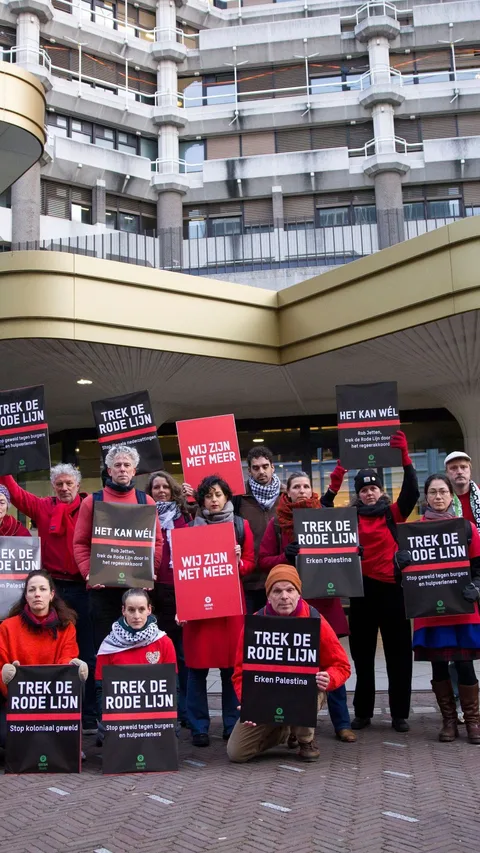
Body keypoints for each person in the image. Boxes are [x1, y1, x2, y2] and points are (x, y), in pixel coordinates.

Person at [258, 470, 355, 743]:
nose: (301, 490)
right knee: (293, 669)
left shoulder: (326, 515)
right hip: (292, 606)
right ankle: (292, 728)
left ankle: (342, 723)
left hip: (326, 604)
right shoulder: (277, 524)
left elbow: (342, 553)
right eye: (296, 486)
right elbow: (263, 560)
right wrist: (284, 556)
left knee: (332, 663)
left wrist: (352, 554)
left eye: (305, 486)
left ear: (312, 489)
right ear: (287, 492)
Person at [0, 464, 96, 733]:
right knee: (50, 648)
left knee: (85, 652)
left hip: (83, 586)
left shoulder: (91, 508)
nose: (64, 488)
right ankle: (49, 709)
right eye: (59, 484)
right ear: (53, 486)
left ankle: (87, 714)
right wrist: (4, 463)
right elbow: (16, 494)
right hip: (52, 587)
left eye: (69, 483)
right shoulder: (43, 507)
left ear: (77, 485)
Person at [227, 564, 351, 763]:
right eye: (277, 591)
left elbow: (342, 665)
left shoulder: (314, 618)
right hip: (266, 699)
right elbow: (240, 673)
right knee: (237, 753)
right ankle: (284, 731)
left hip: (304, 692)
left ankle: (305, 740)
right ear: (268, 596)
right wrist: (249, 702)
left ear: (298, 594)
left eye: (290, 590)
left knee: (311, 687)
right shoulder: (256, 623)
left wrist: (329, 678)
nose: (284, 596)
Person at [397, 474, 480, 744]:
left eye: (443, 491)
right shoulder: (413, 531)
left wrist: (477, 587)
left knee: (465, 665)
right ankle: (448, 722)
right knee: (439, 666)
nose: (439, 497)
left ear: (451, 495)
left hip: (461, 609)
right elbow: (401, 577)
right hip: (430, 612)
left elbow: (478, 568)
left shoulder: (466, 528)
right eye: (433, 492)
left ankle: (472, 722)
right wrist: (400, 563)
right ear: (426, 496)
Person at [348, 430, 419, 733]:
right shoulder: (348, 518)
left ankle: (399, 714)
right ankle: (363, 713)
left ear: (380, 490)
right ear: (358, 493)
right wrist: (338, 470)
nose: (369, 493)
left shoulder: (392, 513)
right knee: (362, 657)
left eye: (373, 488)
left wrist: (405, 458)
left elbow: (412, 492)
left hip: (392, 591)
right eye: (364, 489)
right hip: (361, 593)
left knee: (399, 654)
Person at [183, 475, 255, 747]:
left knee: (230, 669)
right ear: (201, 500)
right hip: (199, 610)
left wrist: (238, 561)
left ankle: (230, 723)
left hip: (229, 609)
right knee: (196, 670)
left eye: (218, 495)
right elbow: (183, 570)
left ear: (227, 497)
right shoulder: (190, 528)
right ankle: (199, 727)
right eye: (208, 496)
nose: (213, 500)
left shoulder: (241, 526)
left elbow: (250, 563)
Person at [73, 445, 163, 650]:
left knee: (137, 649)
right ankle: (102, 683)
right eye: (117, 465)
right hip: (102, 591)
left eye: (127, 465)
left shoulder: (146, 501)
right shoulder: (92, 502)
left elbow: (156, 542)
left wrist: (151, 571)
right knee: (105, 648)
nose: (122, 469)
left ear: (134, 471)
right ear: (109, 470)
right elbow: (79, 542)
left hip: (135, 591)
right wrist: (88, 573)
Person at [0, 570, 88, 747]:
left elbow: (66, 661)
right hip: (18, 701)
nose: (37, 594)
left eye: (42, 589)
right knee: (6, 738)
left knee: (80, 678)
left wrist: (73, 667)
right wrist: (8, 677)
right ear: (26, 595)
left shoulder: (66, 626)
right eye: (31, 590)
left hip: (54, 700)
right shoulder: (7, 627)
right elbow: (1, 664)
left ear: (51, 594)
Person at [95, 588, 177, 742]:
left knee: (172, 732)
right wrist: (107, 720)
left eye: (141, 609)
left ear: (149, 610)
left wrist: (169, 718)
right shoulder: (108, 646)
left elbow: (173, 686)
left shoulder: (164, 642)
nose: (136, 616)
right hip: (119, 717)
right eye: (131, 610)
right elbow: (101, 688)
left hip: (154, 716)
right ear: (123, 611)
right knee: (104, 733)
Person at [145, 470, 193, 726]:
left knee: (183, 654)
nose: (161, 491)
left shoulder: (186, 515)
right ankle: (165, 707)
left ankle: (185, 709)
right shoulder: (143, 517)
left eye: (165, 486)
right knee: (158, 653)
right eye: (156, 488)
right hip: (154, 591)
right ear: (149, 492)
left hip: (183, 590)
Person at [232, 446, 284, 615]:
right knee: (251, 632)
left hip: (280, 578)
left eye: (265, 466)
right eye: (256, 468)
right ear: (249, 471)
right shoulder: (238, 497)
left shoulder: (286, 495)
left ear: (272, 467)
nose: (261, 471)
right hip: (249, 580)